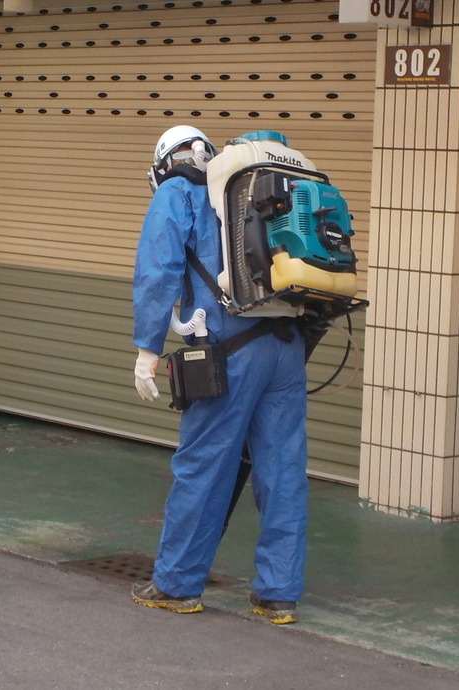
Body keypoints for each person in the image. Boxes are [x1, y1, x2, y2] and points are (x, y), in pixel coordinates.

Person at [131, 125, 309, 624]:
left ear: (164, 162)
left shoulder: (178, 192)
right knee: (283, 472)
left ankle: (176, 584)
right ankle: (278, 595)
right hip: (285, 346)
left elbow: (157, 269)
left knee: (203, 467)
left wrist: (147, 350)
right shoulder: (252, 187)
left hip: (228, 353)